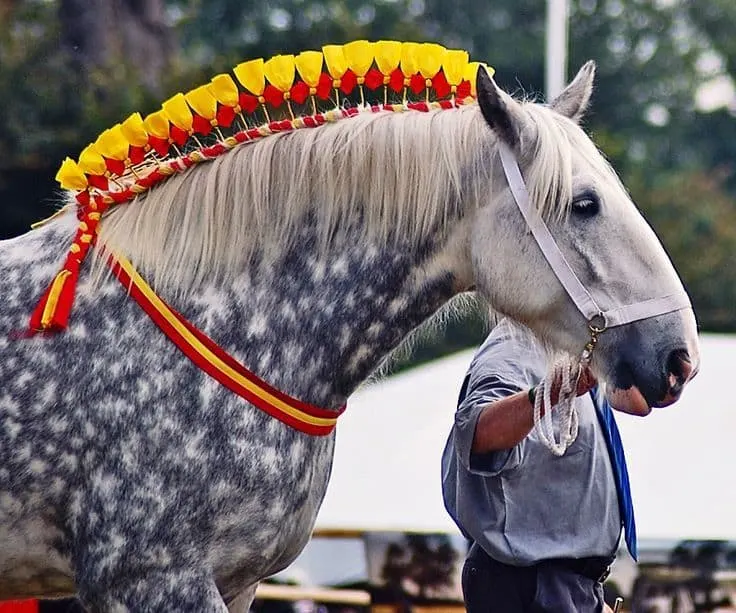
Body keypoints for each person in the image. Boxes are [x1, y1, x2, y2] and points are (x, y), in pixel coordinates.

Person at [441, 318, 636, 613]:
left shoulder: (567, 348)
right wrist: (554, 390)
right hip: (530, 582)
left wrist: (587, 594)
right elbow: (477, 433)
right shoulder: (520, 341)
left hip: (564, 585)